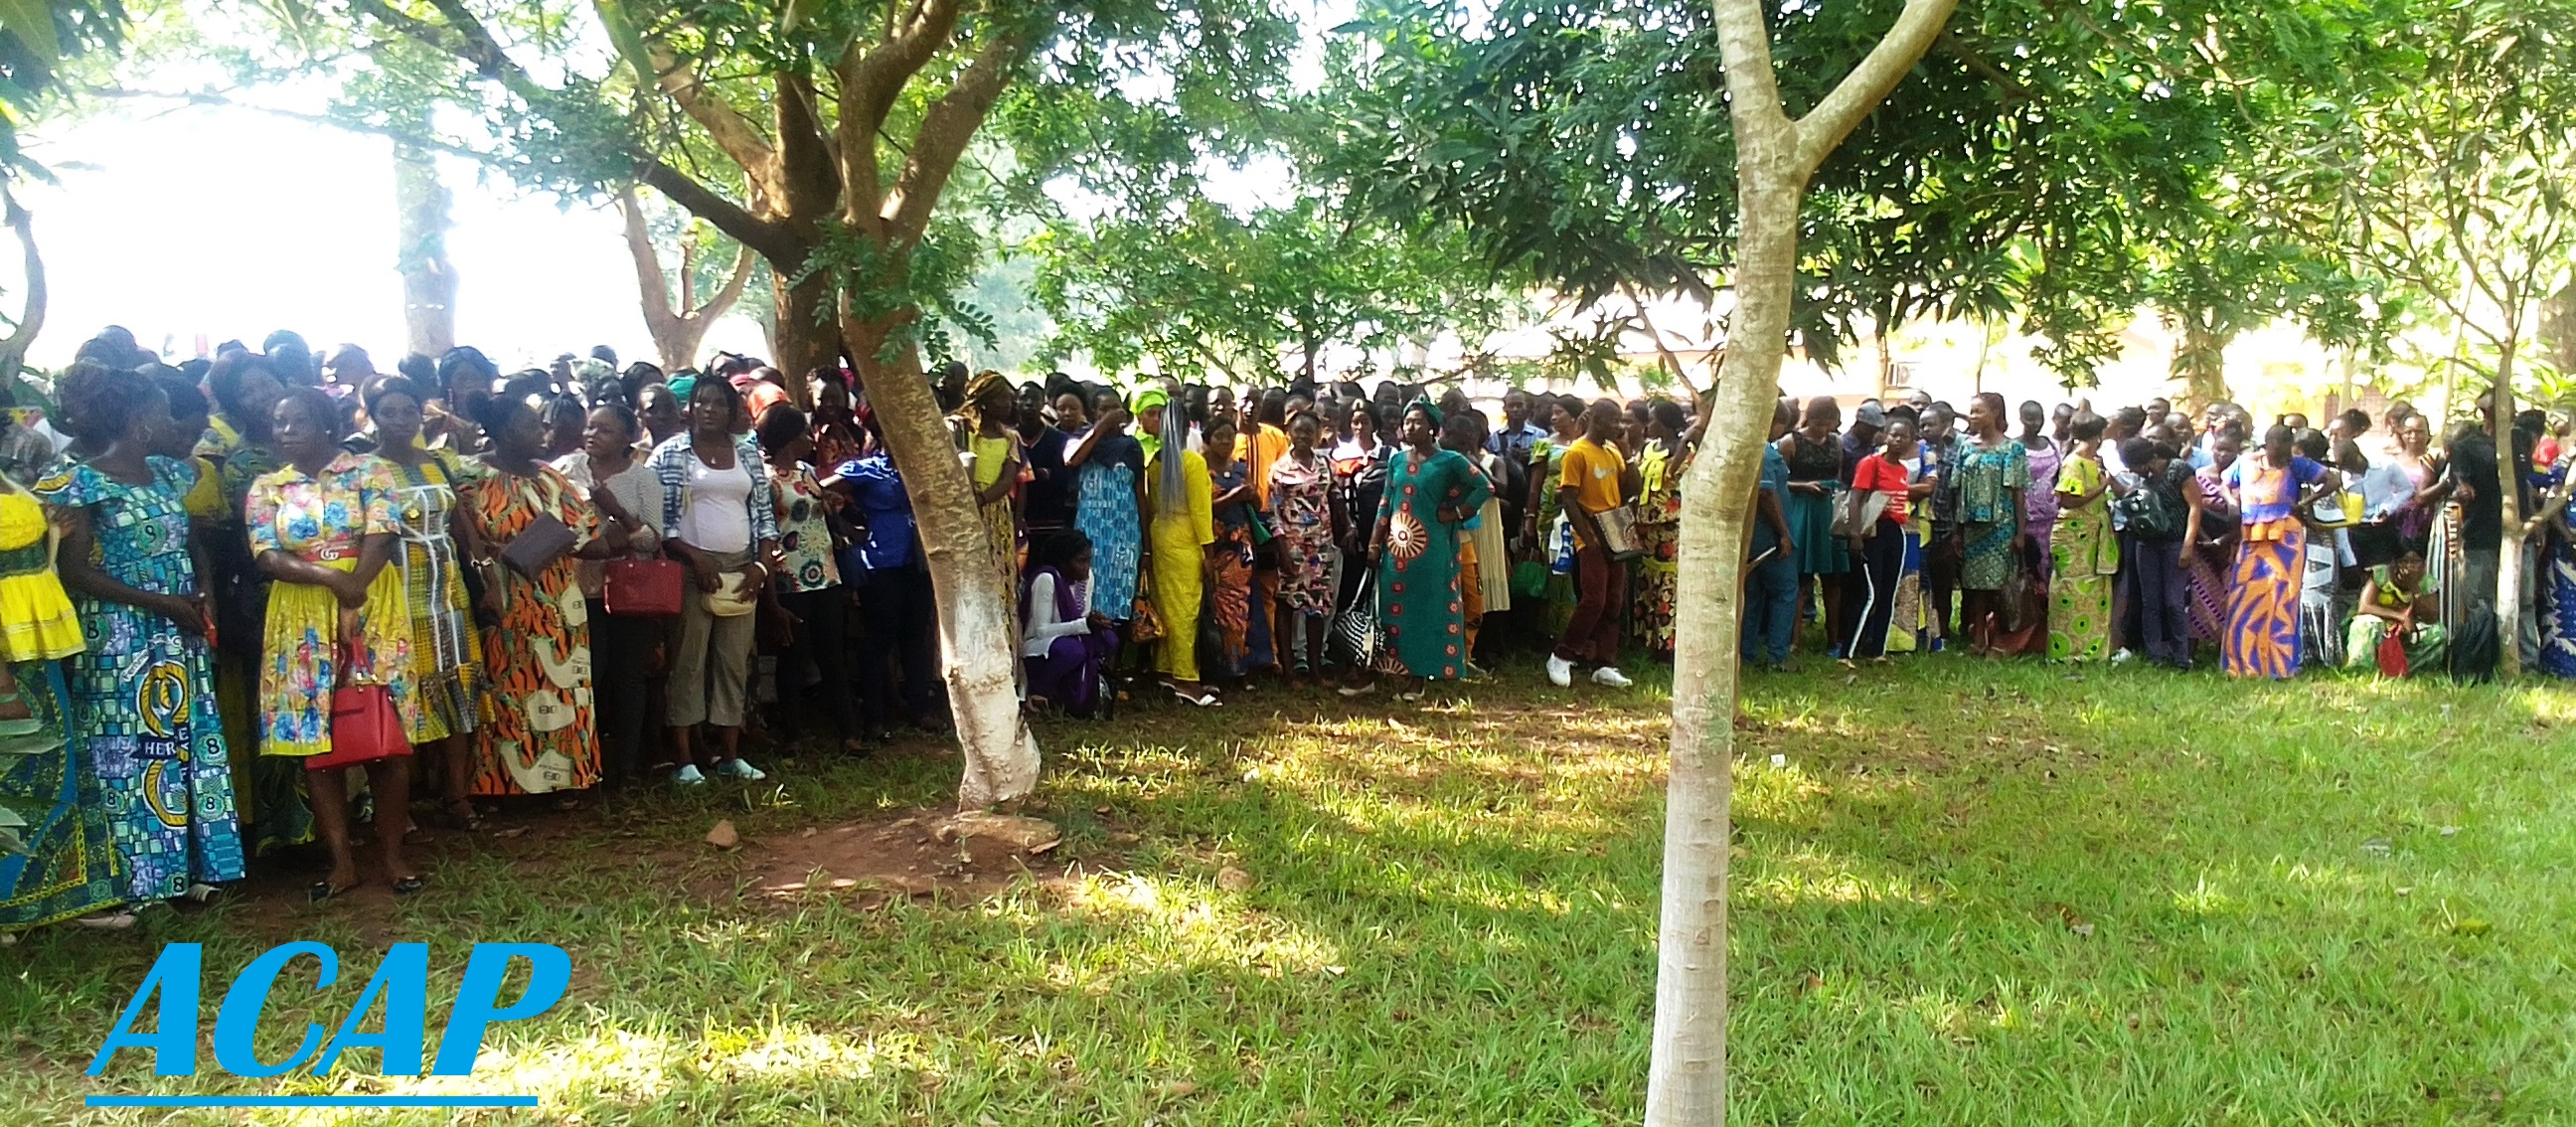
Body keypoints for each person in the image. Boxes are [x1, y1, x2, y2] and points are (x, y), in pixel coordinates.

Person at [40, 368, 242, 913]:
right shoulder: (81, 483)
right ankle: (142, 878)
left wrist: (202, 592)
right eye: (159, 411)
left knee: (185, 739)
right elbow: (75, 572)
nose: (169, 421)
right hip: (122, 638)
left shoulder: (167, 474)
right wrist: (163, 604)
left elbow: (191, 541)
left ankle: (192, 868)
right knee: (131, 750)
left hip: (182, 627)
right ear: (138, 422)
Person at [245, 389, 419, 900]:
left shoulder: (368, 472)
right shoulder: (267, 487)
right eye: (279, 423)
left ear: (324, 424)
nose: (285, 432)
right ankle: (341, 861)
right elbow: (265, 554)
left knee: (386, 731)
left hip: (372, 605)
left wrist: (352, 592)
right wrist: (330, 579)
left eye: (297, 421)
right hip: (299, 614)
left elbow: (383, 533)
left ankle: (392, 855)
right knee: (316, 740)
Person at [459, 395, 614, 800]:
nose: (543, 433)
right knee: (506, 688)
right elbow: (459, 532)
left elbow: (594, 540)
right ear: (506, 432)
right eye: (531, 425)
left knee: (563, 684)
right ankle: (502, 785)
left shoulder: (552, 478)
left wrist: (558, 540)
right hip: (502, 597)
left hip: (557, 602)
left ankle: (565, 780)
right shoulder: (469, 476)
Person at [357, 376, 488, 829]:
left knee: (458, 691)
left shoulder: (437, 464)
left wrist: (481, 574)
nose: (398, 420)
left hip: (448, 594)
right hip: (395, 597)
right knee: (400, 697)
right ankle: (400, 804)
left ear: (420, 416)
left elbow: (460, 522)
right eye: (387, 412)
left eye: (406, 412)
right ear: (372, 418)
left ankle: (456, 795)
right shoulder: (361, 470)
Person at [647, 377, 779, 784]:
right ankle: (685, 760)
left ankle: (730, 756)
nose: (707, 409)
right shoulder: (670, 454)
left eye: (717, 403)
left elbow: (764, 516)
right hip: (691, 571)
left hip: (742, 568)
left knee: (733, 662)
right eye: (700, 402)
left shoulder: (748, 455)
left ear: (732, 411)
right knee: (688, 663)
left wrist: (760, 567)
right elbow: (659, 521)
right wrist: (691, 556)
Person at [554, 402, 662, 785]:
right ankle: (590, 762)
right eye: (590, 427)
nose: (592, 435)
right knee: (590, 675)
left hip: (628, 591)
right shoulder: (566, 470)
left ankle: (627, 766)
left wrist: (615, 510)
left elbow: (651, 539)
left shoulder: (642, 479)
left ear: (627, 439)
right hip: (577, 591)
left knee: (629, 676)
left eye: (605, 430)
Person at [1353, 401, 1490, 701]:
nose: (1410, 427)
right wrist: (1375, 543)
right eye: (1407, 422)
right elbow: (1385, 503)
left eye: (1417, 422)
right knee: (1387, 611)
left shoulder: (1450, 461)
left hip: (1432, 553)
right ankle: (1375, 674)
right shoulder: (1397, 461)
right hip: (1395, 553)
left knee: (1425, 613)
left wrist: (1455, 513)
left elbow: (1485, 487)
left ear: (1432, 427)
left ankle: (1418, 679)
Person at [824, 419, 941, 738]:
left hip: (918, 561)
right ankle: (874, 717)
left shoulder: (924, 468)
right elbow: (820, 494)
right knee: (879, 640)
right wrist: (849, 530)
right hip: (881, 564)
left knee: (916, 637)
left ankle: (920, 709)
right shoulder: (865, 470)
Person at [755, 404, 860, 754]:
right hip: (790, 578)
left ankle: (848, 733)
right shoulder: (766, 479)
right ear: (787, 438)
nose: (809, 438)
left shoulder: (807, 472)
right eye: (802, 433)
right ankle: (794, 735)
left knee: (833, 655)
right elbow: (765, 531)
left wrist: (827, 502)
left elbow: (816, 514)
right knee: (793, 658)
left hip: (826, 575)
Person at [2220, 424, 2335, 679]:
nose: (2284, 458)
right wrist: (2232, 503)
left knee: (2283, 599)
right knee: (2244, 600)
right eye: (2279, 452)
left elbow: (2333, 480)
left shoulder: (2297, 465)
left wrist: (2304, 504)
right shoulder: (2246, 462)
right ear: (2268, 445)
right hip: (2252, 539)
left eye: (2287, 452)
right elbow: (2224, 483)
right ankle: (2241, 665)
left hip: (2286, 542)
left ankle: (2279, 666)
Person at [1548, 399, 1639, 689]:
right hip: (1591, 534)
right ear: (1596, 420)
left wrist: (1627, 453)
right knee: (1593, 599)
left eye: (1621, 421)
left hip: (1615, 529)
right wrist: (1587, 537)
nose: (1619, 426)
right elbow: (1569, 499)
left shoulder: (1612, 452)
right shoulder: (1577, 453)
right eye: (1613, 420)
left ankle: (1605, 662)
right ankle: (1562, 655)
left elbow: (1632, 489)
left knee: (1614, 600)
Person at [1137, 386, 1217, 706]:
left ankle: (1166, 671)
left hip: (1161, 536)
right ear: (1186, 427)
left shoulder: (1155, 461)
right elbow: (1201, 512)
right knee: (1185, 611)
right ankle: (1187, 679)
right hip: (1185, 540)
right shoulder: (1192, 462)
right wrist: (1208, 553)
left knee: (1167, 607)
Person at [1844, 417, 1932, 661]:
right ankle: (1846, 652)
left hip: (1896, 529)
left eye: (1903, 436)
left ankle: (1877, 651)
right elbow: (1855, 498)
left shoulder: (1903, 470)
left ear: (1912, 441)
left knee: (1888, 593)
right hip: (1872, 530)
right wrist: (1855, 533)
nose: (1897, 440)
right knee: (1868, 593)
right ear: (1885, 436)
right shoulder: (1871, 464)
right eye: (1893, 435)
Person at [1949, 394, 2031, 654]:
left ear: (1995, 413)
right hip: (1973, 525)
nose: (1972, 416)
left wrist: (2020, 532)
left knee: (2000, 584)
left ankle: (2002, 640)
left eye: (1978, 411)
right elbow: (1957, 489)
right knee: (1975, 586)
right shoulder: (1966, 447)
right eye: (1971, 411)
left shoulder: (2012, 449)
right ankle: (1979, 640)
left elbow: (2019, 493)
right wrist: (1957, 531)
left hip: (2001, 526)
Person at [2112, 436, 2203, 670]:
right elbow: (2129, 496)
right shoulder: (2143, 479)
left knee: (2173, 602)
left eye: (2133, 466)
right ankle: (2155, 655)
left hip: (2174, 543)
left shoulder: (2179, 470)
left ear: (2147, 460)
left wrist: (2188, 544)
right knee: (2149, 602)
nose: (2132, 471)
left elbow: (2195, 507)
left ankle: (2182, 657)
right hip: (2146, 544)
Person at [1268, 410, 1342, 686]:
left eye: (1309, 432)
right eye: (1298, 431)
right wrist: (1282, 548)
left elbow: (1332, 499)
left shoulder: (1326, 464)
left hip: (1320, 545)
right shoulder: (1279, 469)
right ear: (1289, 432)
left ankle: (1314, 670)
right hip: (1293, 545)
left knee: (1317, 607)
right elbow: (1273, 513)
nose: (1303, 436)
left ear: (1318, 434)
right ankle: (1289, 672)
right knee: (1287, 604)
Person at [1201, 414, 1274, 682]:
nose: (1224, 442)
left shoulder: (1242, 469)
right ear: (1208, 439)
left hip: (1241, 547)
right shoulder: (1200, 468)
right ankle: (1219, 664)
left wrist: (1252, 496)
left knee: (1244, 604)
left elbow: (1256, 506)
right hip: (1215, 545)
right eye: (1219, 436)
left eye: (1229, 437)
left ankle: (1245, 664)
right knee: (1219, 605)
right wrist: (1232, 496)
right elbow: (1203, 508)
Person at [1067, 389, 1147, 627]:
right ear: (1093, 413)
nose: (1110, 415)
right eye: (1104, 409)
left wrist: (1147, 547)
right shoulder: (1080, 438)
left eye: (1115, 409)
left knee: (1120, 597)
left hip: (1124, 535)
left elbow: (1140, 496)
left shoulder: (1131, 446)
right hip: (1090, 534)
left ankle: (1114, 658)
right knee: (1087, 593)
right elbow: (1072, 459)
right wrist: (1101, 427)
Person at [1779, 397, 1849, 653]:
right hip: (1802, 509)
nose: (1823, 429)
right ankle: (1794, 639)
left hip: (1828, 511)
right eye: (1819, 423)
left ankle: (1834, 638)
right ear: (1809, 419)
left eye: (1829, 424)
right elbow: (1778, 482)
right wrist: (1803, 487)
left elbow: (1839, 478)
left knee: (1833, 579)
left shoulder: (1837, 443)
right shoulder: (1790, 443)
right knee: (1801, 579)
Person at [1021, 531, 1117, 717]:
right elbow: (1041, 630)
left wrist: (1095, 623)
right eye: (1080, 561)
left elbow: (1084, 615)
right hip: (1040, 646)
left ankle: (1085, 692)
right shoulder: (1046, 579)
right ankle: (1038, 692)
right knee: (1072, 651)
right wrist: (1084, 625)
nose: (1086, 567)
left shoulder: (1087, 578)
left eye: (1089, 560)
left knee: (1109, 639)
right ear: (1063, 562)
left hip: (1073, 637)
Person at [2047, 412, 2118, 661]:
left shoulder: (2094, 461)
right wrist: (2102, 486)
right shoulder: (2073, 463)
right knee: (2071, 589)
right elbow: (2068, 500)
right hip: (2074, 535)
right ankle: (2068, 651)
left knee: (2095, 591)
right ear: (2098, 435)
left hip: (2095, 533)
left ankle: (2092, 650)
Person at [1631, 400, 1693, 657]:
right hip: (1646, 524)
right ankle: (1648, 636)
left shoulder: (1684, 451)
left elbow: (1673, 478)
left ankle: (1668, 643)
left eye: (1654, 419)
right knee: (1648, 581)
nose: (1650, 424)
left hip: (1671, 524)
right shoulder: (1648, 449)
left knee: (1669, 582)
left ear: (1667, 423)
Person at [1742, 399, 1800, 670]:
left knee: (1752, 596)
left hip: (1752, 536)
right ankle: (1777, 656)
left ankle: (1745, 652)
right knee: (1784, 592)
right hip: (1768, 535)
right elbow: (1766, 493)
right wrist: (1784, 534)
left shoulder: (1748, 447)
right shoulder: (1763, 452)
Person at [961, 373, 1025, 595]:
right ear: (986, 403)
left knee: (995, 569)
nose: (1010, 405)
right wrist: (970, 500)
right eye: (1004, 400)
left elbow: (1008, 480)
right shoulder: (961, 431)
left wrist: (981, 499)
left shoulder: (1009, 438)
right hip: (963, 504)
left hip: (994, 507)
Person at [2346, 550, 2447, 675]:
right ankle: (2361, 669)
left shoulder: (2426, 581)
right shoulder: (2381, 574)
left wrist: (2414, 586)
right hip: (2378, 623)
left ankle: (2401, 670)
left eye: (2415, 562)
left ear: (2423, 565)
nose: (2409, 566)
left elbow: (2431, 616)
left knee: (2437, 632)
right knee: (2368, 623)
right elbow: (2365, 606)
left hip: (2406, 629)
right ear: (2394, 564)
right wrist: (2401, 617)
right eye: (2404, 561)